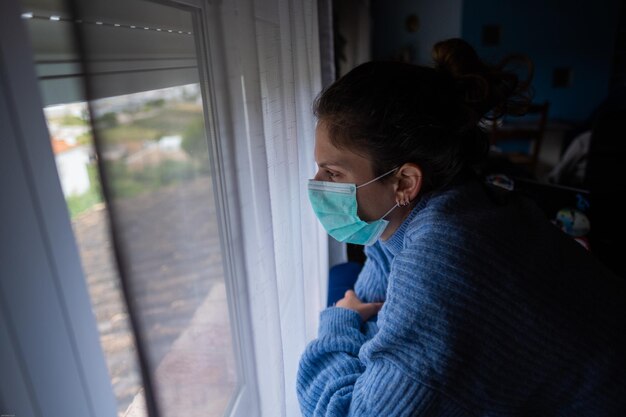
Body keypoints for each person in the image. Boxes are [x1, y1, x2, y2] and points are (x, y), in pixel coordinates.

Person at [297, 38, 626, 416]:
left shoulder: (443, 255)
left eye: (333, 172)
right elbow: (377, 296)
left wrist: (339, 323)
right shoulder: (439, 206)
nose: (317, 184)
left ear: (404, 181)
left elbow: (347, 411)